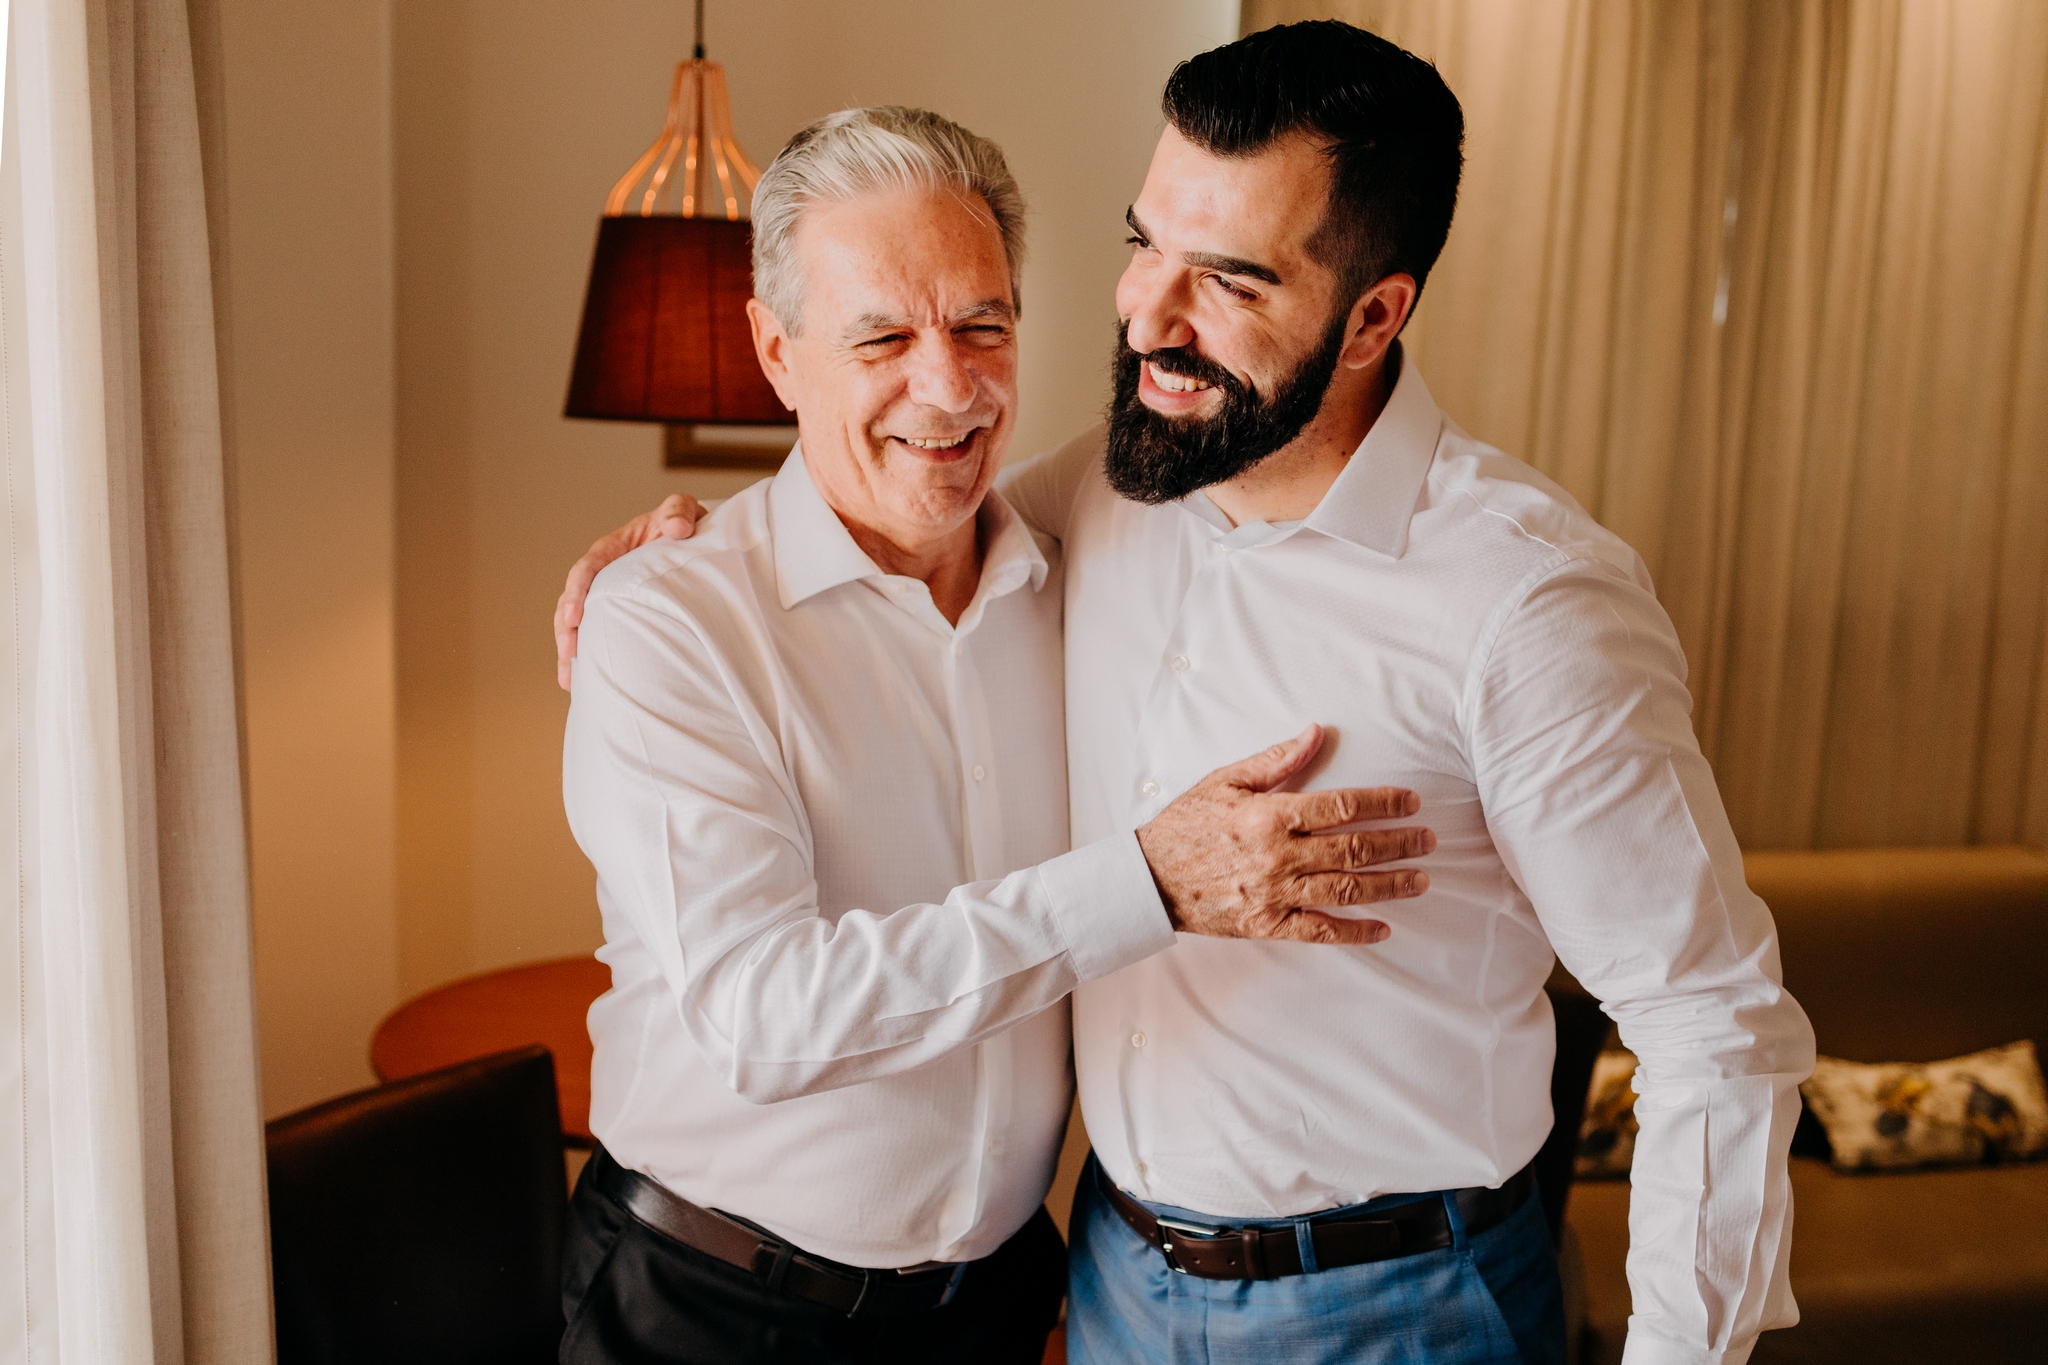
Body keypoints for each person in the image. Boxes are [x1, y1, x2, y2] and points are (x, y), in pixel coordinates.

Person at [561, 24, 1817, 1364]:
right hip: (1103, 1286)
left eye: (1229, 279)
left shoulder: (1526, 599)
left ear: (1375, 314)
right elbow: (860, 510)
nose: (1150, 315)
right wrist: (659, 569)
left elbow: (1713, 1021)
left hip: (1399, 1303)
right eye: (1145, 241)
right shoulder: (1089, 501)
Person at [557, 104, 1437, 1365]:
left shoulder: (1084, 554)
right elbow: (767, 1019)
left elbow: (1272, 416)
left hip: (998, 1304)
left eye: (984, 324)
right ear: (774, 351)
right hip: (710, 1309)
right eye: (881, 337)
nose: (950, 384)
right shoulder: (673, 624)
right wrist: (1144, 883)